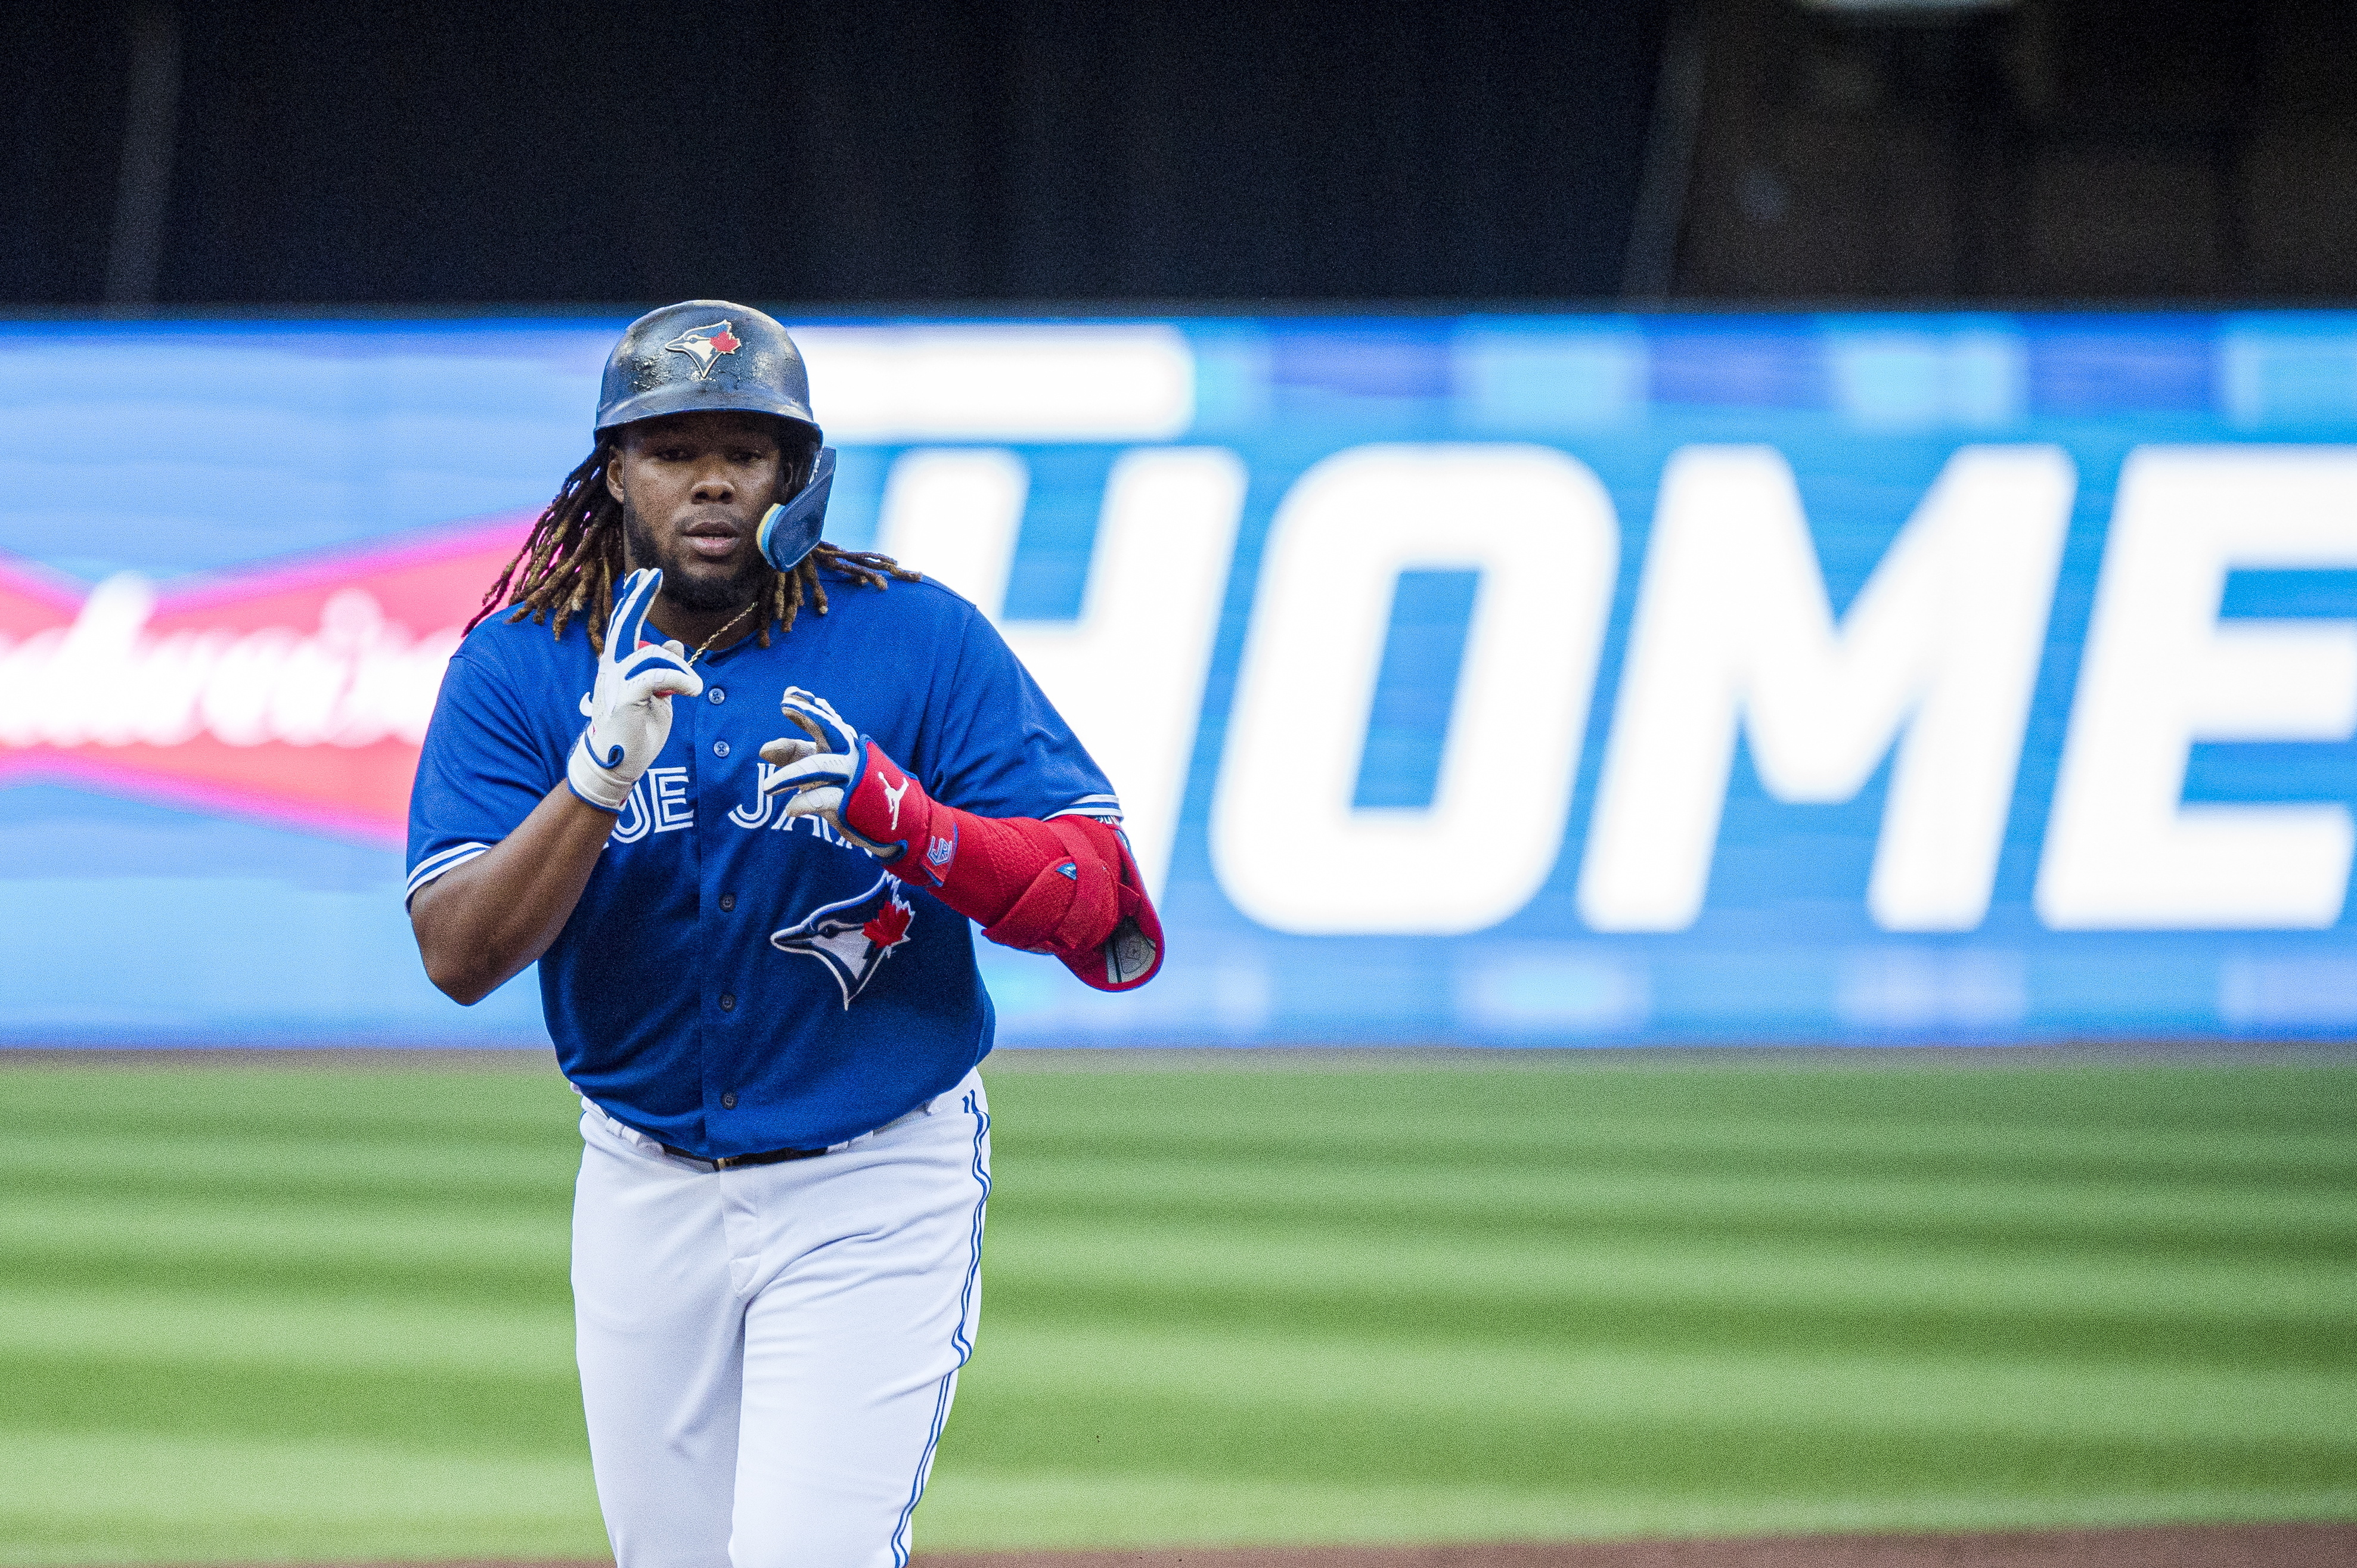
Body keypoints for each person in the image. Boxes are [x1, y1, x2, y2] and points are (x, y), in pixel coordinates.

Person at [404, 300, 1162, 1568]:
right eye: (669, 445)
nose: (709, 476)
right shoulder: (523, 664)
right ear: (613, 470)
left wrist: (908, 820)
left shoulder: (913, 637)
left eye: (745, 448)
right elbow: (458, 954)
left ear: (797, 473)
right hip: (641, 1180)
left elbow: (1106, 907)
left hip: (873, 1181)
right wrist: (591, 782)